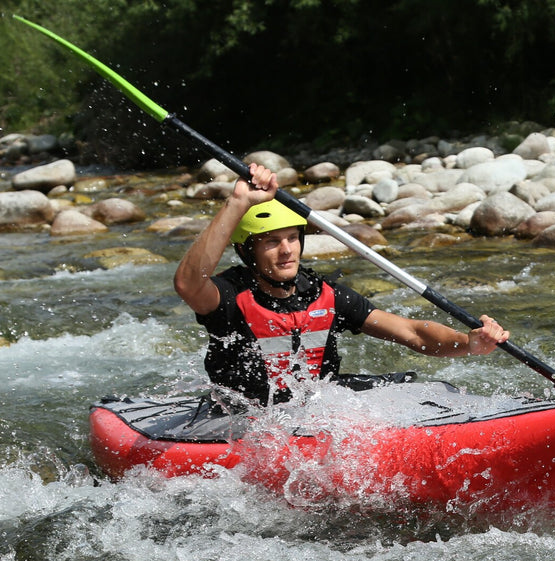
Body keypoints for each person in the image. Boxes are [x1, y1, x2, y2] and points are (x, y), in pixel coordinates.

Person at [174, 162, 510, 406]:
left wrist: (468, 343)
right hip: (244, 416)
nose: (287, 250)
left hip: (319, 406)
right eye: (271, 242)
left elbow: (412, 332)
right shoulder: (229, 297)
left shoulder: (325, 295)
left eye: (292, 238)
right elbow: (188, 284)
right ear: (246, 250)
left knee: (416, 387)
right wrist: (238, 204)